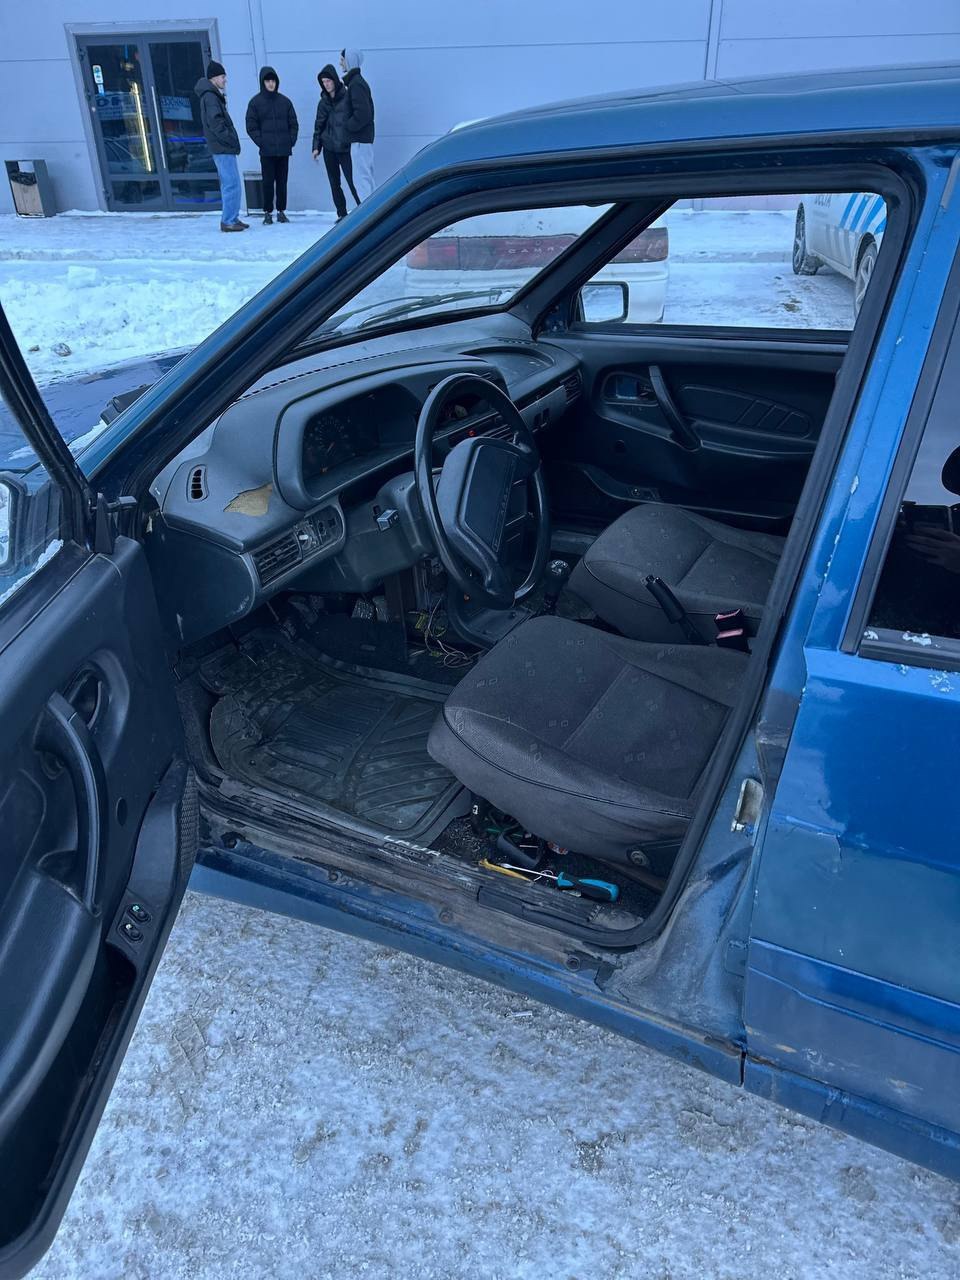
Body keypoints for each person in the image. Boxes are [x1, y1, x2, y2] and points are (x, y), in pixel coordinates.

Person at [194, 60, 246, 233]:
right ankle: (228, 221)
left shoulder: (212, 96)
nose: (225, 80)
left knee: (231, 184)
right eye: (223, 77)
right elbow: (216, 124)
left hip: (222, 147)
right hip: (222, 147)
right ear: (214, 78)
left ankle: (232, 217)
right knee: (231, 184)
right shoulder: (210, 97)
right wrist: (230, 139)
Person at [245, 66, 298, 225]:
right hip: (267, 152)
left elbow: (293, 124)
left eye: (273, 80)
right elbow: (251, 126)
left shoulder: (285, 102)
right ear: (263, 82)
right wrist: (262, 142)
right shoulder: (255, 103)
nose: (270, 83)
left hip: (283, 151)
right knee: (268, 183)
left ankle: (281, 211)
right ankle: (267, 212)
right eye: (267, 81)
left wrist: (290, 141)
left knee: (282, 182)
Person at [311, 65, 359, 221]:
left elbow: (355, 119)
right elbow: (318, 126)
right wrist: (316, 147)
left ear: (335, 80)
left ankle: (362, 209)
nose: (326, 84)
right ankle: (341, 213)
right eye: (323, 82)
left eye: (328, 81)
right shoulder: (323, 102)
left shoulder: (347, 97)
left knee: (353, 181)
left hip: (345, 148)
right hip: (329, 148)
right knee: (334, 183)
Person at [339, 49, 375, 200]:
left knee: (362, 181)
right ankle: (374, 209)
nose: (340, 63)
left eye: (342, 59)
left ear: (350, 60)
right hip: (362, 140)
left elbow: (363, 114)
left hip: (360, 141)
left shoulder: (356, 84)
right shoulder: (356, 83)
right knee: (365, 178)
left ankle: (370, 212)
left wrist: (348, 126)